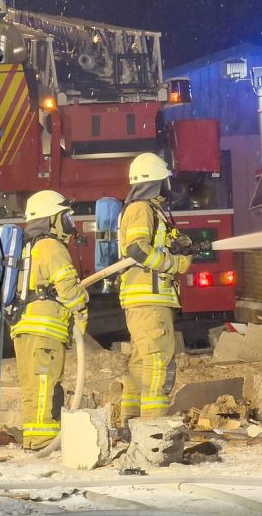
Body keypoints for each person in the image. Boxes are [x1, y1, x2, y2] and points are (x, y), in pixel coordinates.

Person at [11, 190, 88, 450]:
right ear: (51, 219)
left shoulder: (28, 247)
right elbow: (67, 287)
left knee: (33, 387)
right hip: (45, 330)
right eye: (65, 217)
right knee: (45, 384)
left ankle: (34, 439)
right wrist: (82, 306)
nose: (69, 223)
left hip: (24, 327)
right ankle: (44, 441)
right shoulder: (51, 246)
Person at [118, 153, 191, 425]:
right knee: (157, 361)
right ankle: (153, 425)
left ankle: (131, 421)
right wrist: (174, 263)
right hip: (149, 299)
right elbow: (137, 249)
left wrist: (178, 245)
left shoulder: (148, 209)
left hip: (145, 301)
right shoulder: (141, 209)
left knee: (141, 361)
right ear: (156, 181)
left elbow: (150, 246)